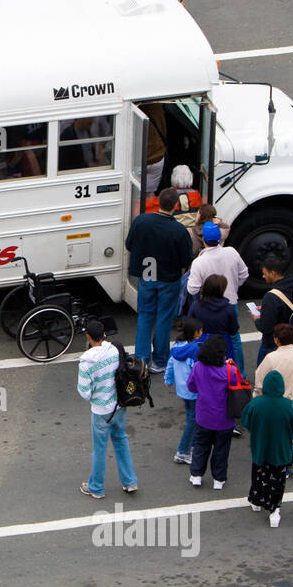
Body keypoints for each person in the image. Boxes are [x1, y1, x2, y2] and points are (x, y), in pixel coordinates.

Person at [126, 187, 194, 374]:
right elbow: (186, 259)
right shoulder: (178, 230)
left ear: (158, 202)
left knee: (145, 317)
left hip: (146, 277)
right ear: (176, 205)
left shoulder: (141, 221)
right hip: (168, 279)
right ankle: (160, 360)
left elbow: (129, 244)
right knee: (164, 318)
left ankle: (141, 359)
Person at [77, 320, 139, 499]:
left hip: (100, 411)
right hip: (119, 406)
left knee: (100, 449)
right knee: (121, 441)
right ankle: (130, 481)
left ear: (88, 337)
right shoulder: (114, 350)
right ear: (104, 333)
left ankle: (96, 487)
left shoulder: (87, 361)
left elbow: (84, 391)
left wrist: (94, 396)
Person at [239, 369, 293, 528]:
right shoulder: (289, 406)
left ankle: (256, 501)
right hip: (280, 452)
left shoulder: (255, 403)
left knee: (259, 476)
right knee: (277, 482)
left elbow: (245, 421)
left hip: (260, 449)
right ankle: (274, 511)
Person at [254, 323, 293, 476]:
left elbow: (259, 382)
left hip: (279, 404)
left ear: (276, 340)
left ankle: (283, 466)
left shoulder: (271, 358)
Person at [186, 221, 249, 369]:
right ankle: (239, 373)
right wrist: (234, 286)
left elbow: (192, 289)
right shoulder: (232, 252)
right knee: (234, 340)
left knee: (204, 341)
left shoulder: (199, 262)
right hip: (230, 303)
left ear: (203, 240)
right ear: (219, 239)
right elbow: (244, 273)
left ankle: (206, 371)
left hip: (205, 306)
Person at [186, 334, 238, 490]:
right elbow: (237, 387)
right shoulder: (230, 371)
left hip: (204, 416)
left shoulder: (198, 367)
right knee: (221, 450)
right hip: (225, 419)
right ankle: (218, 479)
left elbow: (191, 387)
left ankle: (196, 475)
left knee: (201, 445)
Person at [164, 316, 203, 465]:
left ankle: (191, 446)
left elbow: (170, 364)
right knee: (193, 421)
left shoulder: (177, 347)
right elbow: (196, 372)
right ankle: (183, 451)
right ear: (196, 333)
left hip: (182, 390)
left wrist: (168, 379)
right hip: (193, 392)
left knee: (191, 418)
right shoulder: (194, 350)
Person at [253, 255, 293, 366]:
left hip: (273, 345)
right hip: (292, 341)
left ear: (273, 273)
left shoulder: (271, 297)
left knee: (263, 378)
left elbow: (265, 327)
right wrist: (267, 309)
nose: (263, 276)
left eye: (265, 273)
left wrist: (256, 319)